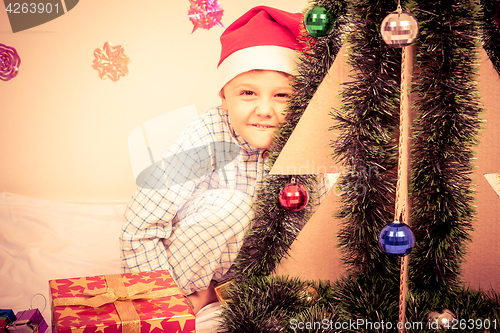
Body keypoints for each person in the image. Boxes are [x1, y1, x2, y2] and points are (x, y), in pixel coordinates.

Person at [120, 5, 328, 326]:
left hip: (259, 274)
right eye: (247, 92)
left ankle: (224, 293)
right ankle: (197, 291)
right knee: (231, 203)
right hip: (193, 262)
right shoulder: (207, 135)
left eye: (282, 95)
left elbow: (320, 231)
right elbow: (140, 226)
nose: (264, 109)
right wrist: (157, 300)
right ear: (224, 96)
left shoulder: (304, 143)